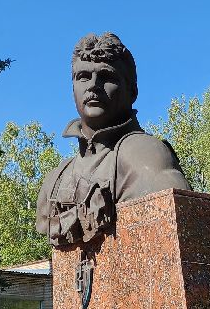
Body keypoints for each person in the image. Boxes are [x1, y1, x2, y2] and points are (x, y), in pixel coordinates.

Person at [34, 33, 189, 248]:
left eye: (107, 77)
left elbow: (183, 220)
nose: (93, 86)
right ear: (73, 89)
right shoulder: (56, 179)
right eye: (83, 77)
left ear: (132, 91)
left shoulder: (145, 154)